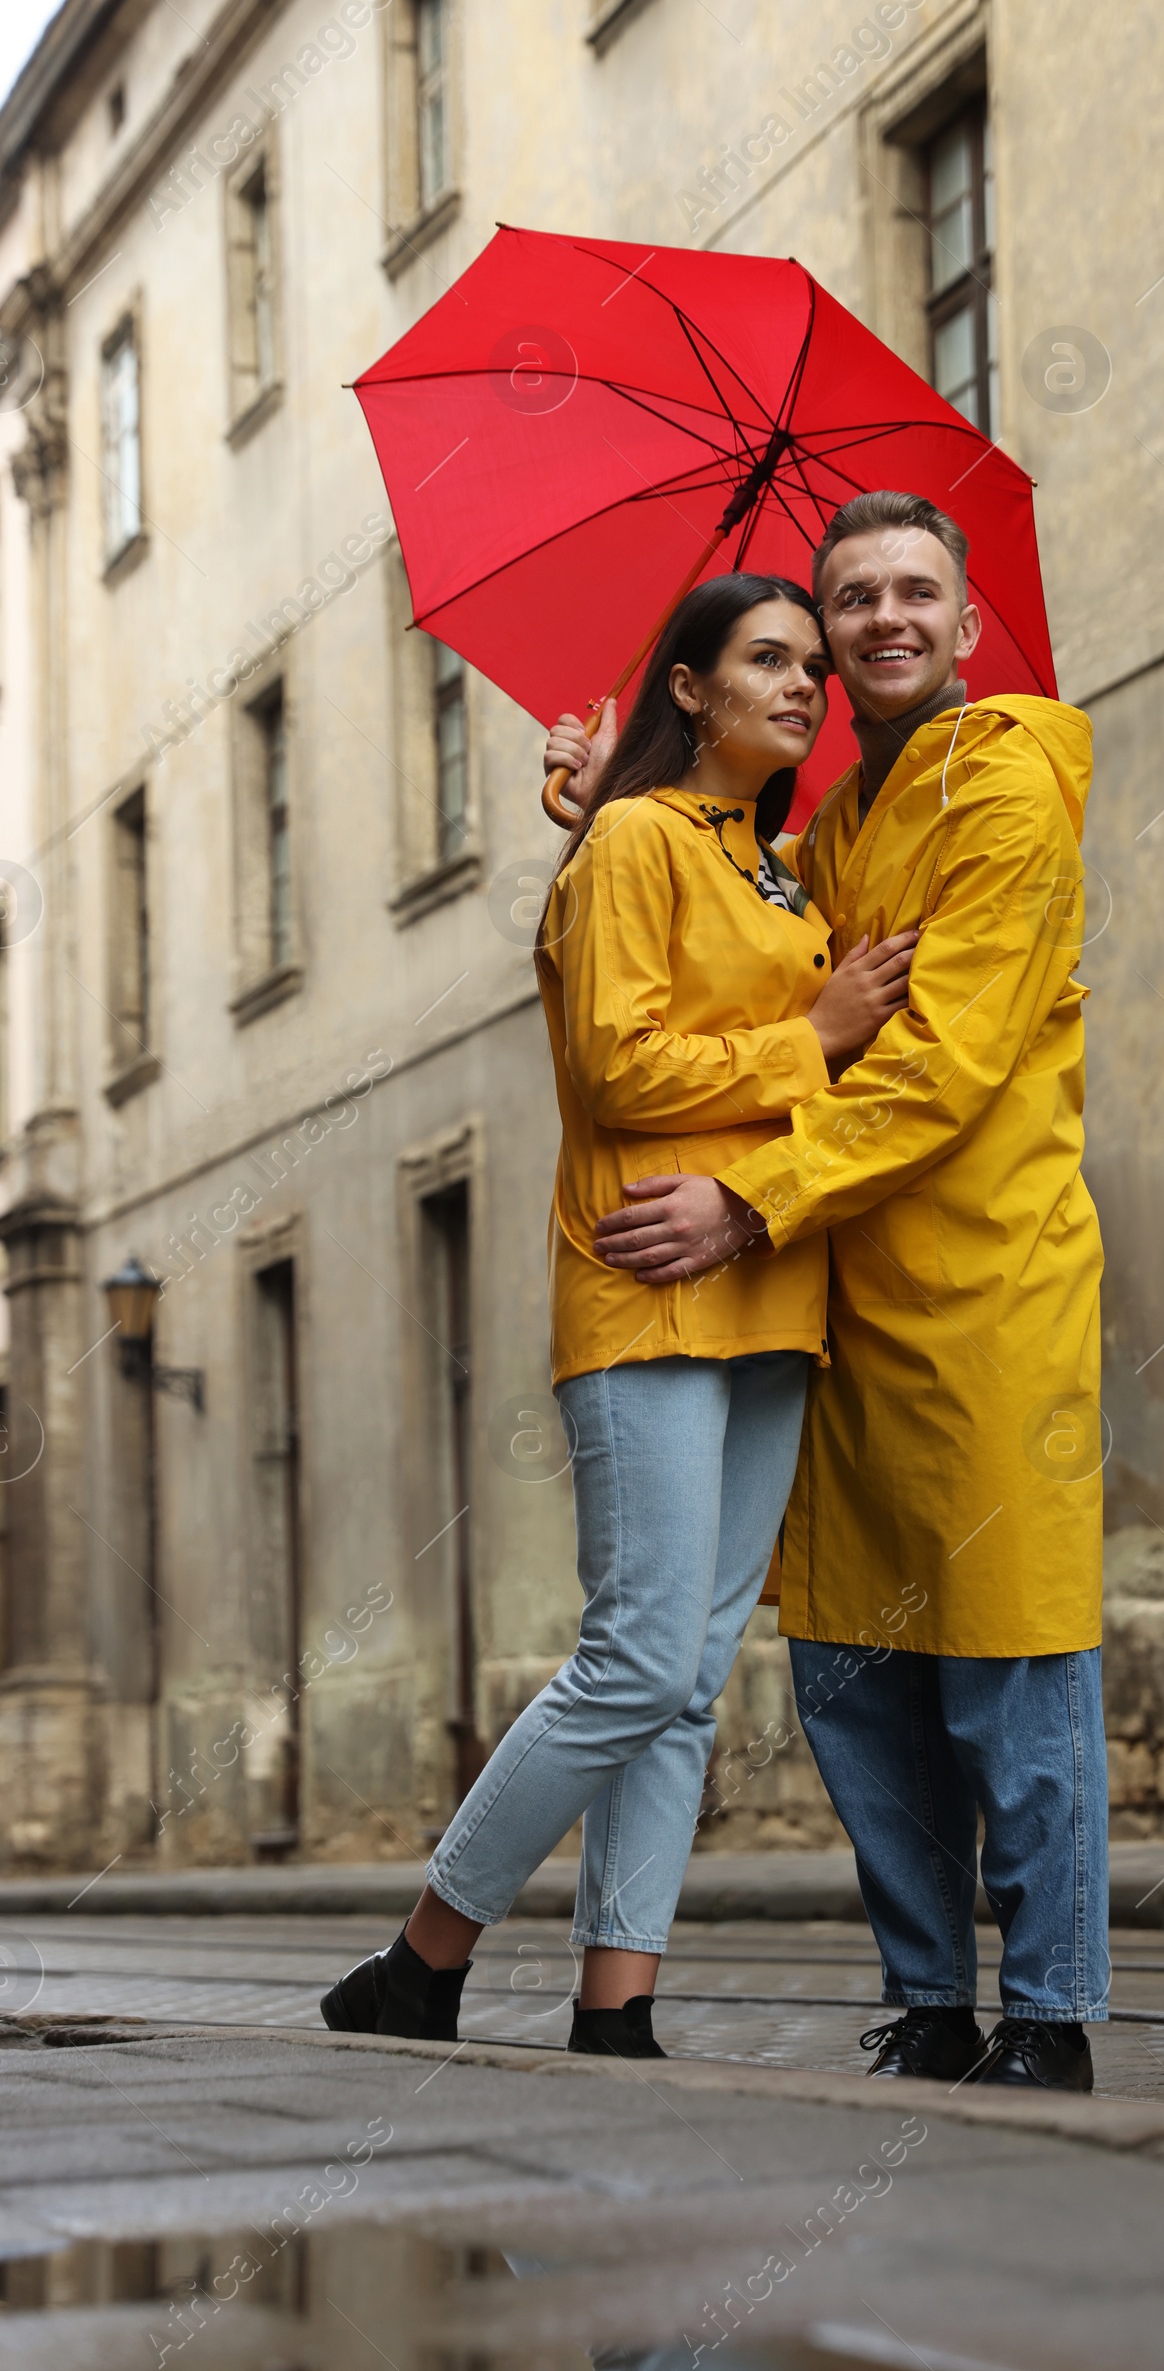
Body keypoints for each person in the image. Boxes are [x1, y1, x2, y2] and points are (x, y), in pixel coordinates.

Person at [321, 572, 918, 2057]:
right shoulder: (638, 843)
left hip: (776, 1300)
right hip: (648, 1290)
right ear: (689, 691)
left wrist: (812, 1023)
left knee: (691, 1684)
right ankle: (426, 1950)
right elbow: (619, 1070)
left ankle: (619, 2003)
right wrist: (818, 1033)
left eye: (809, 665)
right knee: (638, 1656)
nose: (803, 684)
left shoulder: (782, 871)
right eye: (765, 659)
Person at [592, 493, 1109, 2090]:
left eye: (912, 594)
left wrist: (746, 1202)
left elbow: (945, 1065)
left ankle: (1052, 2017)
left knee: (1008, 1663)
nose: (880, 622)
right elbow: (736, 940)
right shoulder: (833, 828)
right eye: (848, 604)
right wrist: (609, 808)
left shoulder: (1005, 784)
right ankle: (933, 1999)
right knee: (858, 1673)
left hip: (984, 1285)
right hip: (842, 1302)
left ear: (964, 628)